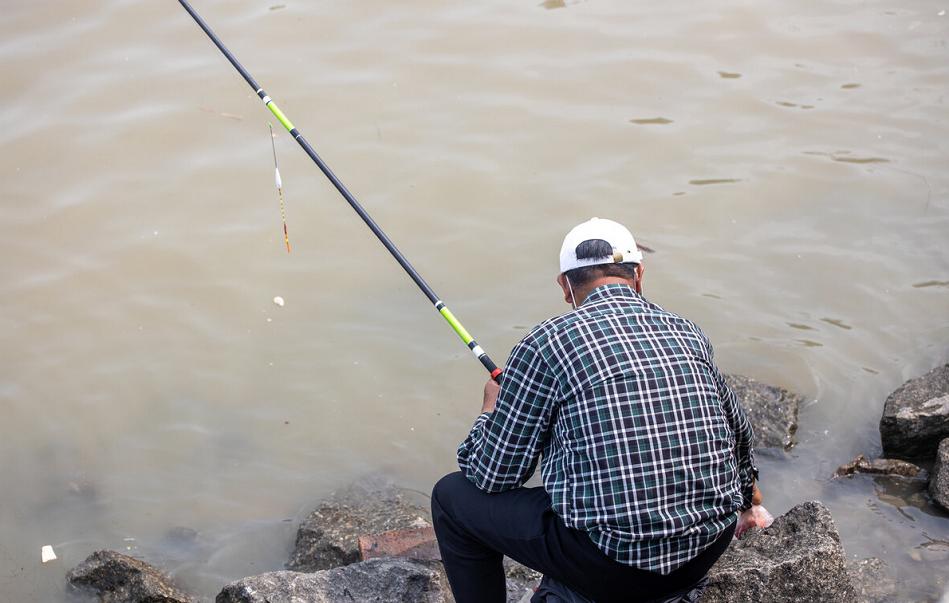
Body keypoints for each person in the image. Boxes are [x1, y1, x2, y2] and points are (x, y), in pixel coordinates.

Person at [431, 218, 763, 603]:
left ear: (565, 287)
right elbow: (739, 431)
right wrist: (749, 505)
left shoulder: (544, 343)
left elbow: (493, 475)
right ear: (638, 275)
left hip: (614, 569)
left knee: (450, 498)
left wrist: (491, 410)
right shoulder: (689, 331)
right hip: (703, 553)